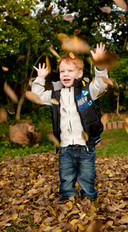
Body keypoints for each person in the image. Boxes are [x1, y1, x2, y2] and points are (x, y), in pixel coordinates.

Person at [32, 42, 108, 201]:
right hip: (65, 147)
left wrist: (100, 66)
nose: (65, 74)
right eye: (62, 71)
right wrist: (40, 79)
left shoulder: (87, 91)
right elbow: (37, 96)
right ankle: (67, 198)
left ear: (79, 73)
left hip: (85, 145)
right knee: (66, 175)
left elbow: (101, 86)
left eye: (70, 71)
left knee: (87, 175)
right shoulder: (56, 94)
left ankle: (88, 198)